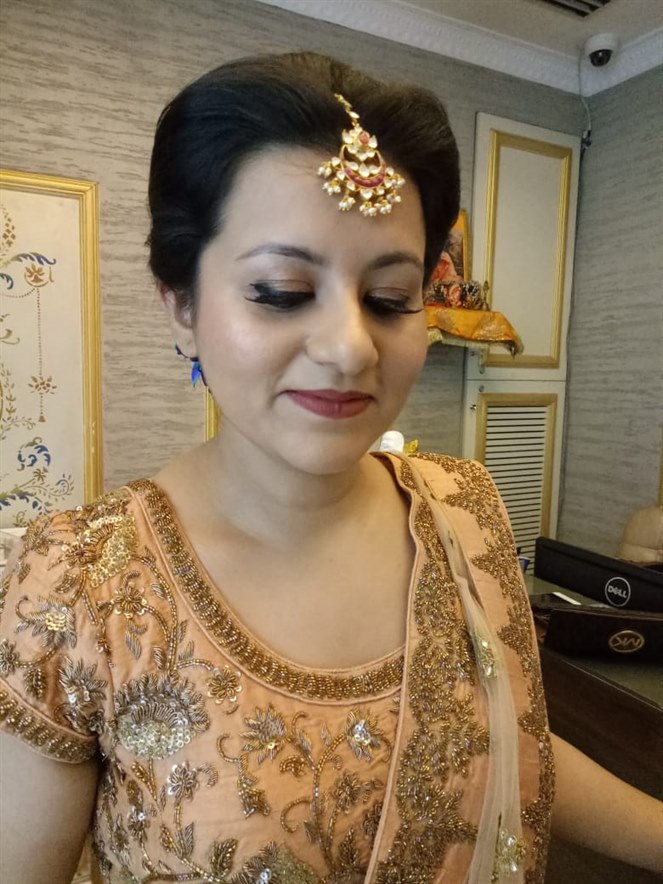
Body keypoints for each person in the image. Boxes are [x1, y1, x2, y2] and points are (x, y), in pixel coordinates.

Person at [0, 52, 660, 884]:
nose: (350, 347)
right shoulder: (80, 582)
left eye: (389, 299)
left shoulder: (463, 512)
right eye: (282, 291)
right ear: (181, 305)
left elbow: (506, 748)